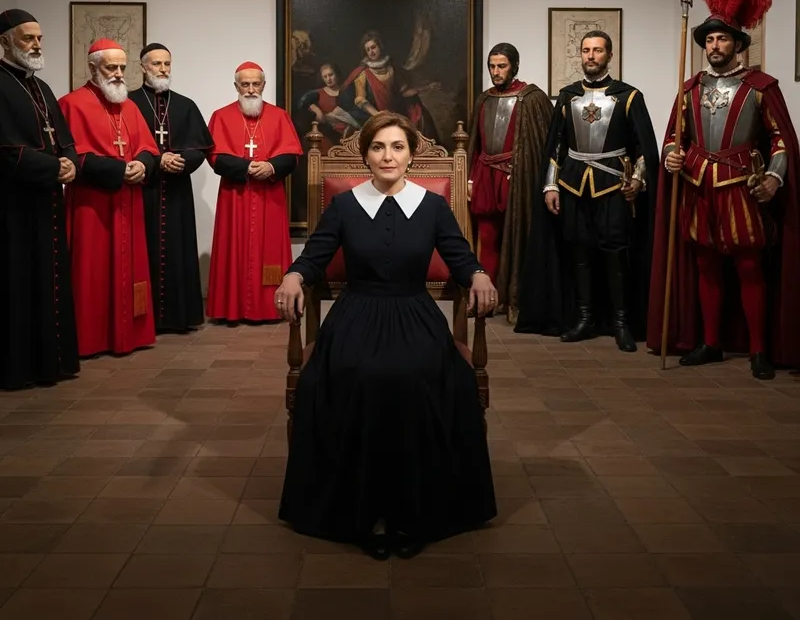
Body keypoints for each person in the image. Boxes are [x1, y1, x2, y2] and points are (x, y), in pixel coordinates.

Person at [276, 111, 497, 560]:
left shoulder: (432, 206)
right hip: (356, 312)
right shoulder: (344, 205)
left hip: (415, 312)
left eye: (397, 147)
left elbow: (458, 254)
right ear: (366, 156)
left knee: (419, 375)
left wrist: (476, 274)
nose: (388, 156)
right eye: (378, 147)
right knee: (358, 375)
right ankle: (356, 510)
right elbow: (316, 255)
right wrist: (294, 277)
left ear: (411, 155)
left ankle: (416, 511)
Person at [647, 0, 800, 379]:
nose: (714, 46)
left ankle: (758, 350)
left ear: (738, 44)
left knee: (750, 268)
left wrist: (774, 177)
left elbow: (780, 139)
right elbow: (672, 138)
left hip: (741, 187)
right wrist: (671, 157)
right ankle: (710, 343)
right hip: (697, 186)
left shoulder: (761, 88)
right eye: (709, 40)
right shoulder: (689, 89)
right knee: (706, 266)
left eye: (722, 40)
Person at [515, 31, 659, 351]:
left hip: (612, 186)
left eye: (597, 50)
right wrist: (551, 185)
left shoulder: (629, 96)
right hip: (573, 183)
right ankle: (584, 318)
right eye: (586, 50)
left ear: (609, 55)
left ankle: (621, 322)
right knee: (579, 252)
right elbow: (556, 146)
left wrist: (637, 179)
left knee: (615, 253)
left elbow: (643, 149)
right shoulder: (567, 96)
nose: (591, 56)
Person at [59, 38, 159, 357]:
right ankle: (93, 339)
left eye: (121, 67)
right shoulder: (71, 104)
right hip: (93, 205)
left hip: (129, 204)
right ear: (92, 68)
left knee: (132, 271)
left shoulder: (128, 105)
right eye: (110, 67)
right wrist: (120, 170)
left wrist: (142, 164)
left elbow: (148, 147)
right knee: (92, 272)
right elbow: (74, 157)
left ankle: (132, 334)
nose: (118, 74)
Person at [0, 9, 80, 388]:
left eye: (39, 39)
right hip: (12, 206)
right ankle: (19, 368)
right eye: (28, 38)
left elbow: (65, 140)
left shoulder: (42, 88)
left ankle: (52, 363)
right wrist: (53, 168)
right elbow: (4, 152)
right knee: (17, 282)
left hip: (46, 201)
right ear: (4, 42)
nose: (36, 45)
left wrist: (71, 163)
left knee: (49, 279)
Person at [206, 61, 302, 323]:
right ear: (236, 86)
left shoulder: (279, 116)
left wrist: (271, 166)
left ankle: (271, 308)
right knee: (233, 249)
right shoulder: (221, 116)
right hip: (235, 197)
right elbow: (215, 157)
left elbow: (292, 156)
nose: (250, 89)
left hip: (270, 199)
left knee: (268, 251)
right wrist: (248, 166)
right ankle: (231, 309)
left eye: (255, 84)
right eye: (245, 84)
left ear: (264, 85)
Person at [129, 43, 213, 333]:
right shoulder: (129, 104)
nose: (163, 69)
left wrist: (181, 160)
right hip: (144, 190)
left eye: (167, 64)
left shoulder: (185, 104)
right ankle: (143, 318)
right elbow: (124, 147)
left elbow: (201, 147)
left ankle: (179, 317)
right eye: (156, 64)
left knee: (177, 251)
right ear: (142, 67)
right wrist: (157, 159)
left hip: (177, 191)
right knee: (142, 251)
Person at [467, 43, 554, 324]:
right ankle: (486, 301)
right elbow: (474, 143)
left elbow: (544, 144)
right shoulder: (483, 99)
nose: (495, 72)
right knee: (488, 237)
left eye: (501, 66)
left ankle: (517, 300)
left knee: (518, 237)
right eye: (492, 66)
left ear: (514, 66)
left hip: (517, 176)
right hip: (485, 174)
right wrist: (469, 176)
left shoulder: (532, 98)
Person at [340, 30, 439, 140]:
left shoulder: (392, 68)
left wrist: (426, 88)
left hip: (395, 112)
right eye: (368, 50)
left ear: (380, 47)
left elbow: (404, 92)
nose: (371, 52)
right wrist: (378, 115)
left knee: (420, 112)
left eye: (373, 47)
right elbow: (360, 100)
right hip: (374, 115)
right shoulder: (363, 72)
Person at [298, 62, 361, 153]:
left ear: (337, 75)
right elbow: (302, 103)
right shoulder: (318, 93)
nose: (328, 79)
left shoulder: (348, 92)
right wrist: (316, 109)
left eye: (331, 75)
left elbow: (355, 113)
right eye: (325, 76)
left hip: (350, 136)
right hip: (329, 135)